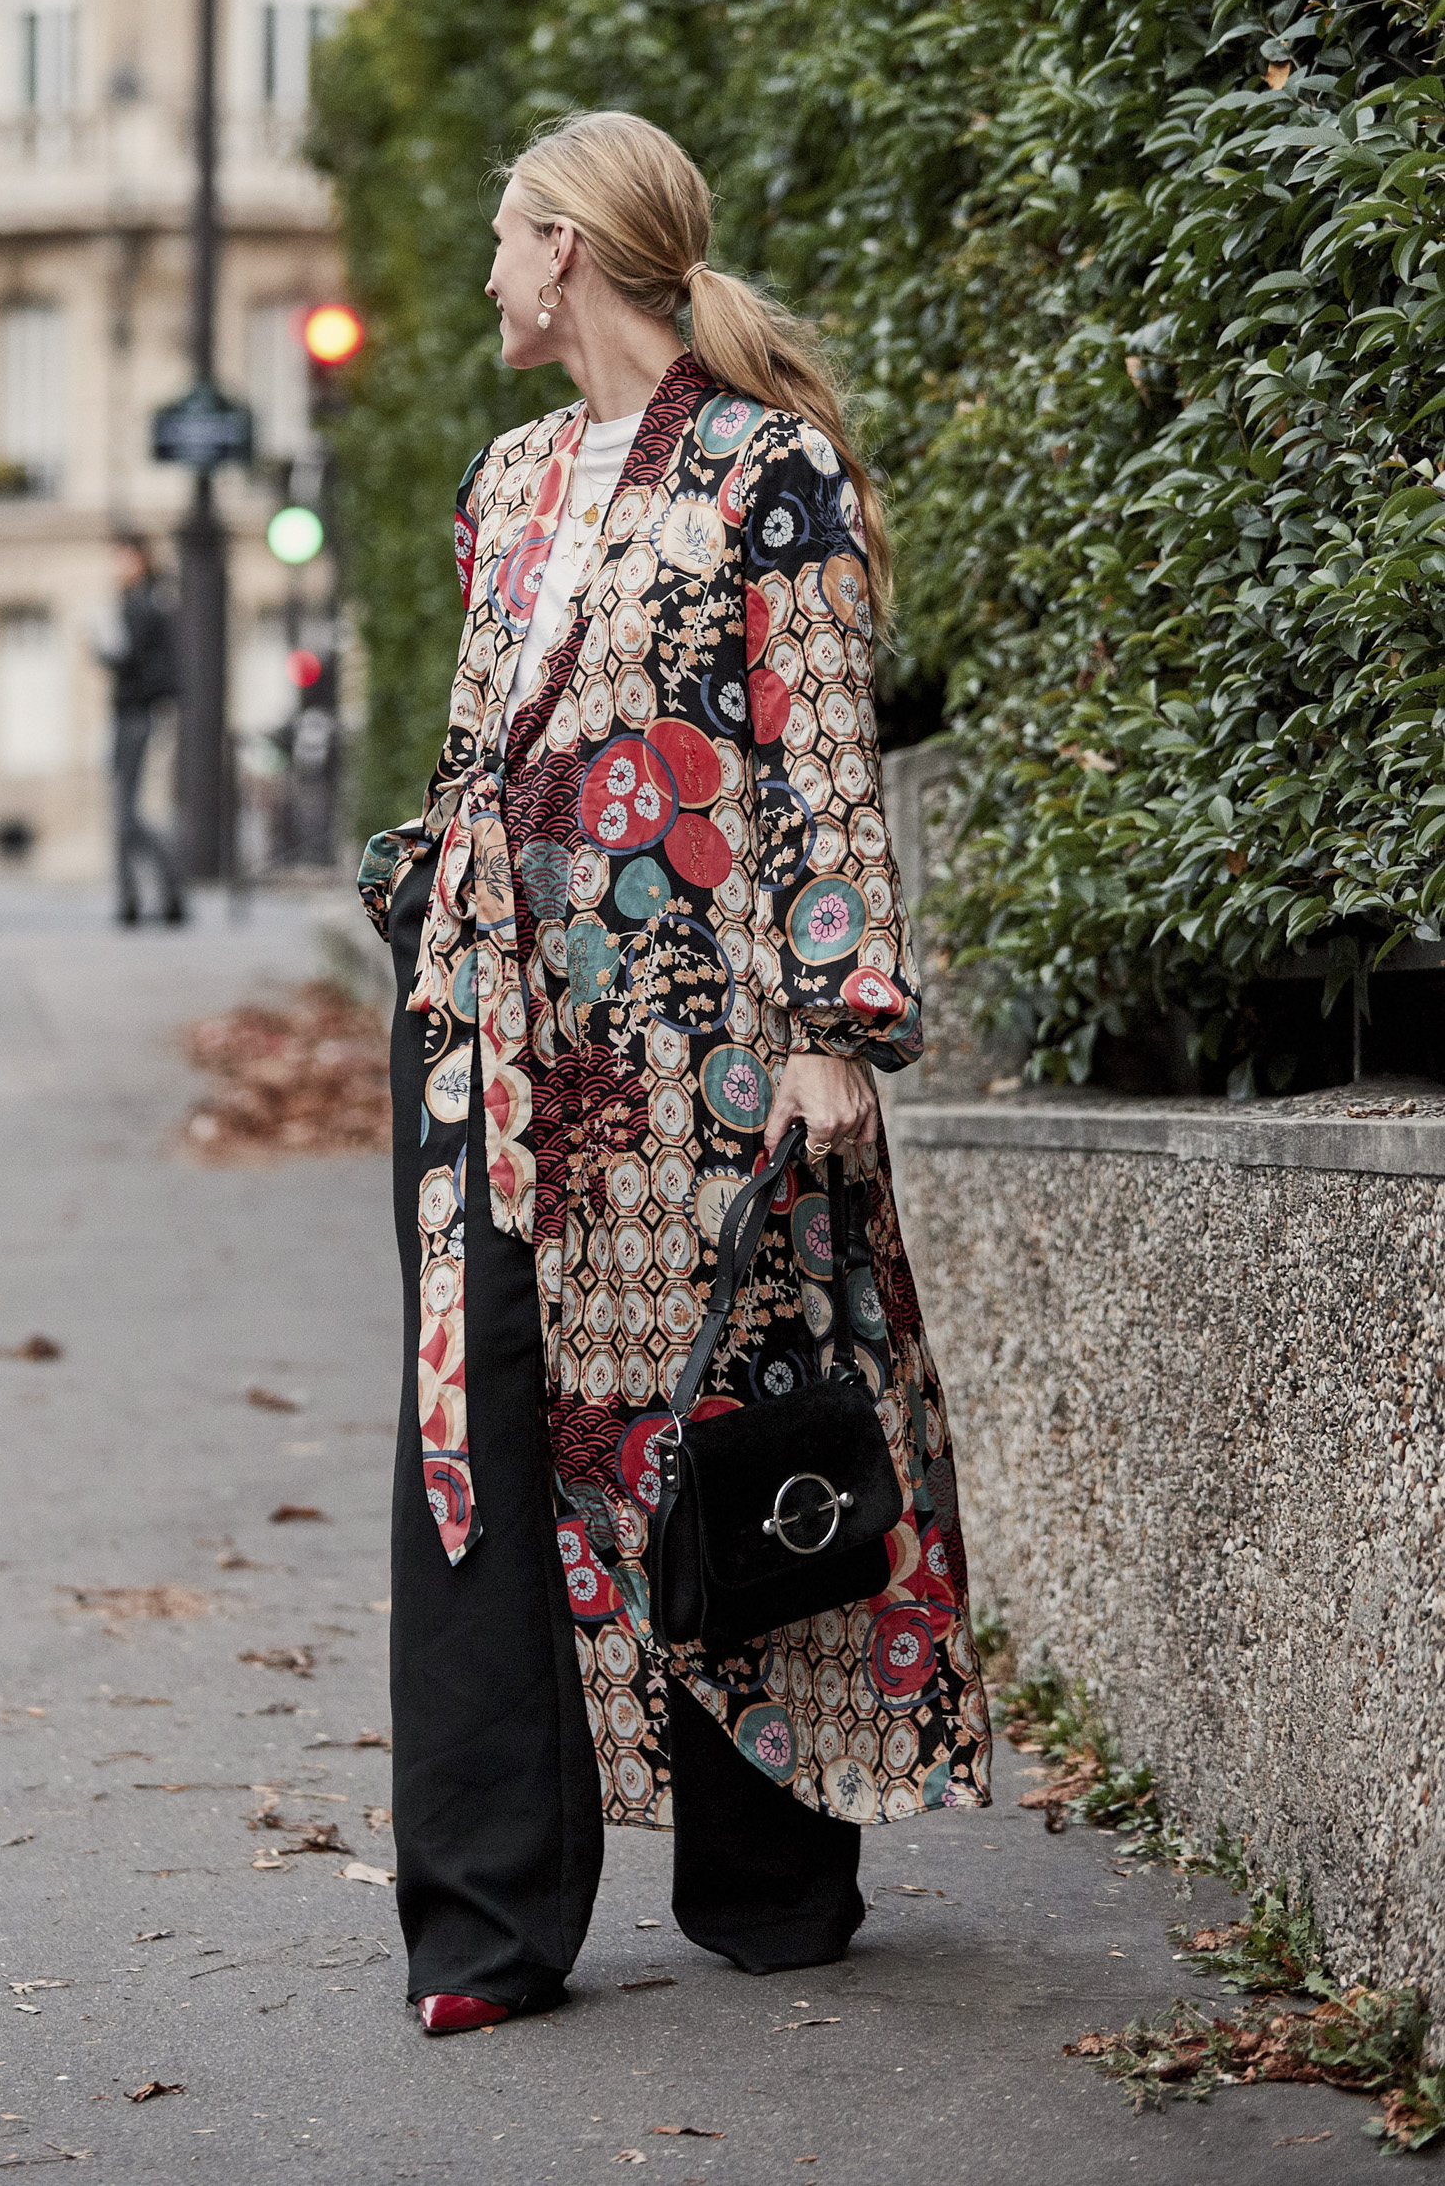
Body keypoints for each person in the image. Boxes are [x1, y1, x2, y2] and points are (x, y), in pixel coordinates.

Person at [358, 111, 991, 2037]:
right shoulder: (503, 479)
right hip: (496, 1043)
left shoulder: (768, 470)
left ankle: (770, 1870)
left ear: (566, 249)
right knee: (476, 1449)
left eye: (503, 236)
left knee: (721, 1414)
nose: (485, 273)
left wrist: (834, 1030)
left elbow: (817, 755)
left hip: (706, 1048)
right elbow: (482, 743)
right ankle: (485, 1927)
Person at [95, 531, 184, 927]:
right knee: (124, 811)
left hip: (134, 715)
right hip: (133, 714)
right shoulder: (140, 601)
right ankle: (141, 896)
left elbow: (137, 663)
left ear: (139, 559)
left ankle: (154, 892)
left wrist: (103, 653)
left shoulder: (143, 604)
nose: (116, 567)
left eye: (122, 558)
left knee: (125, 814)